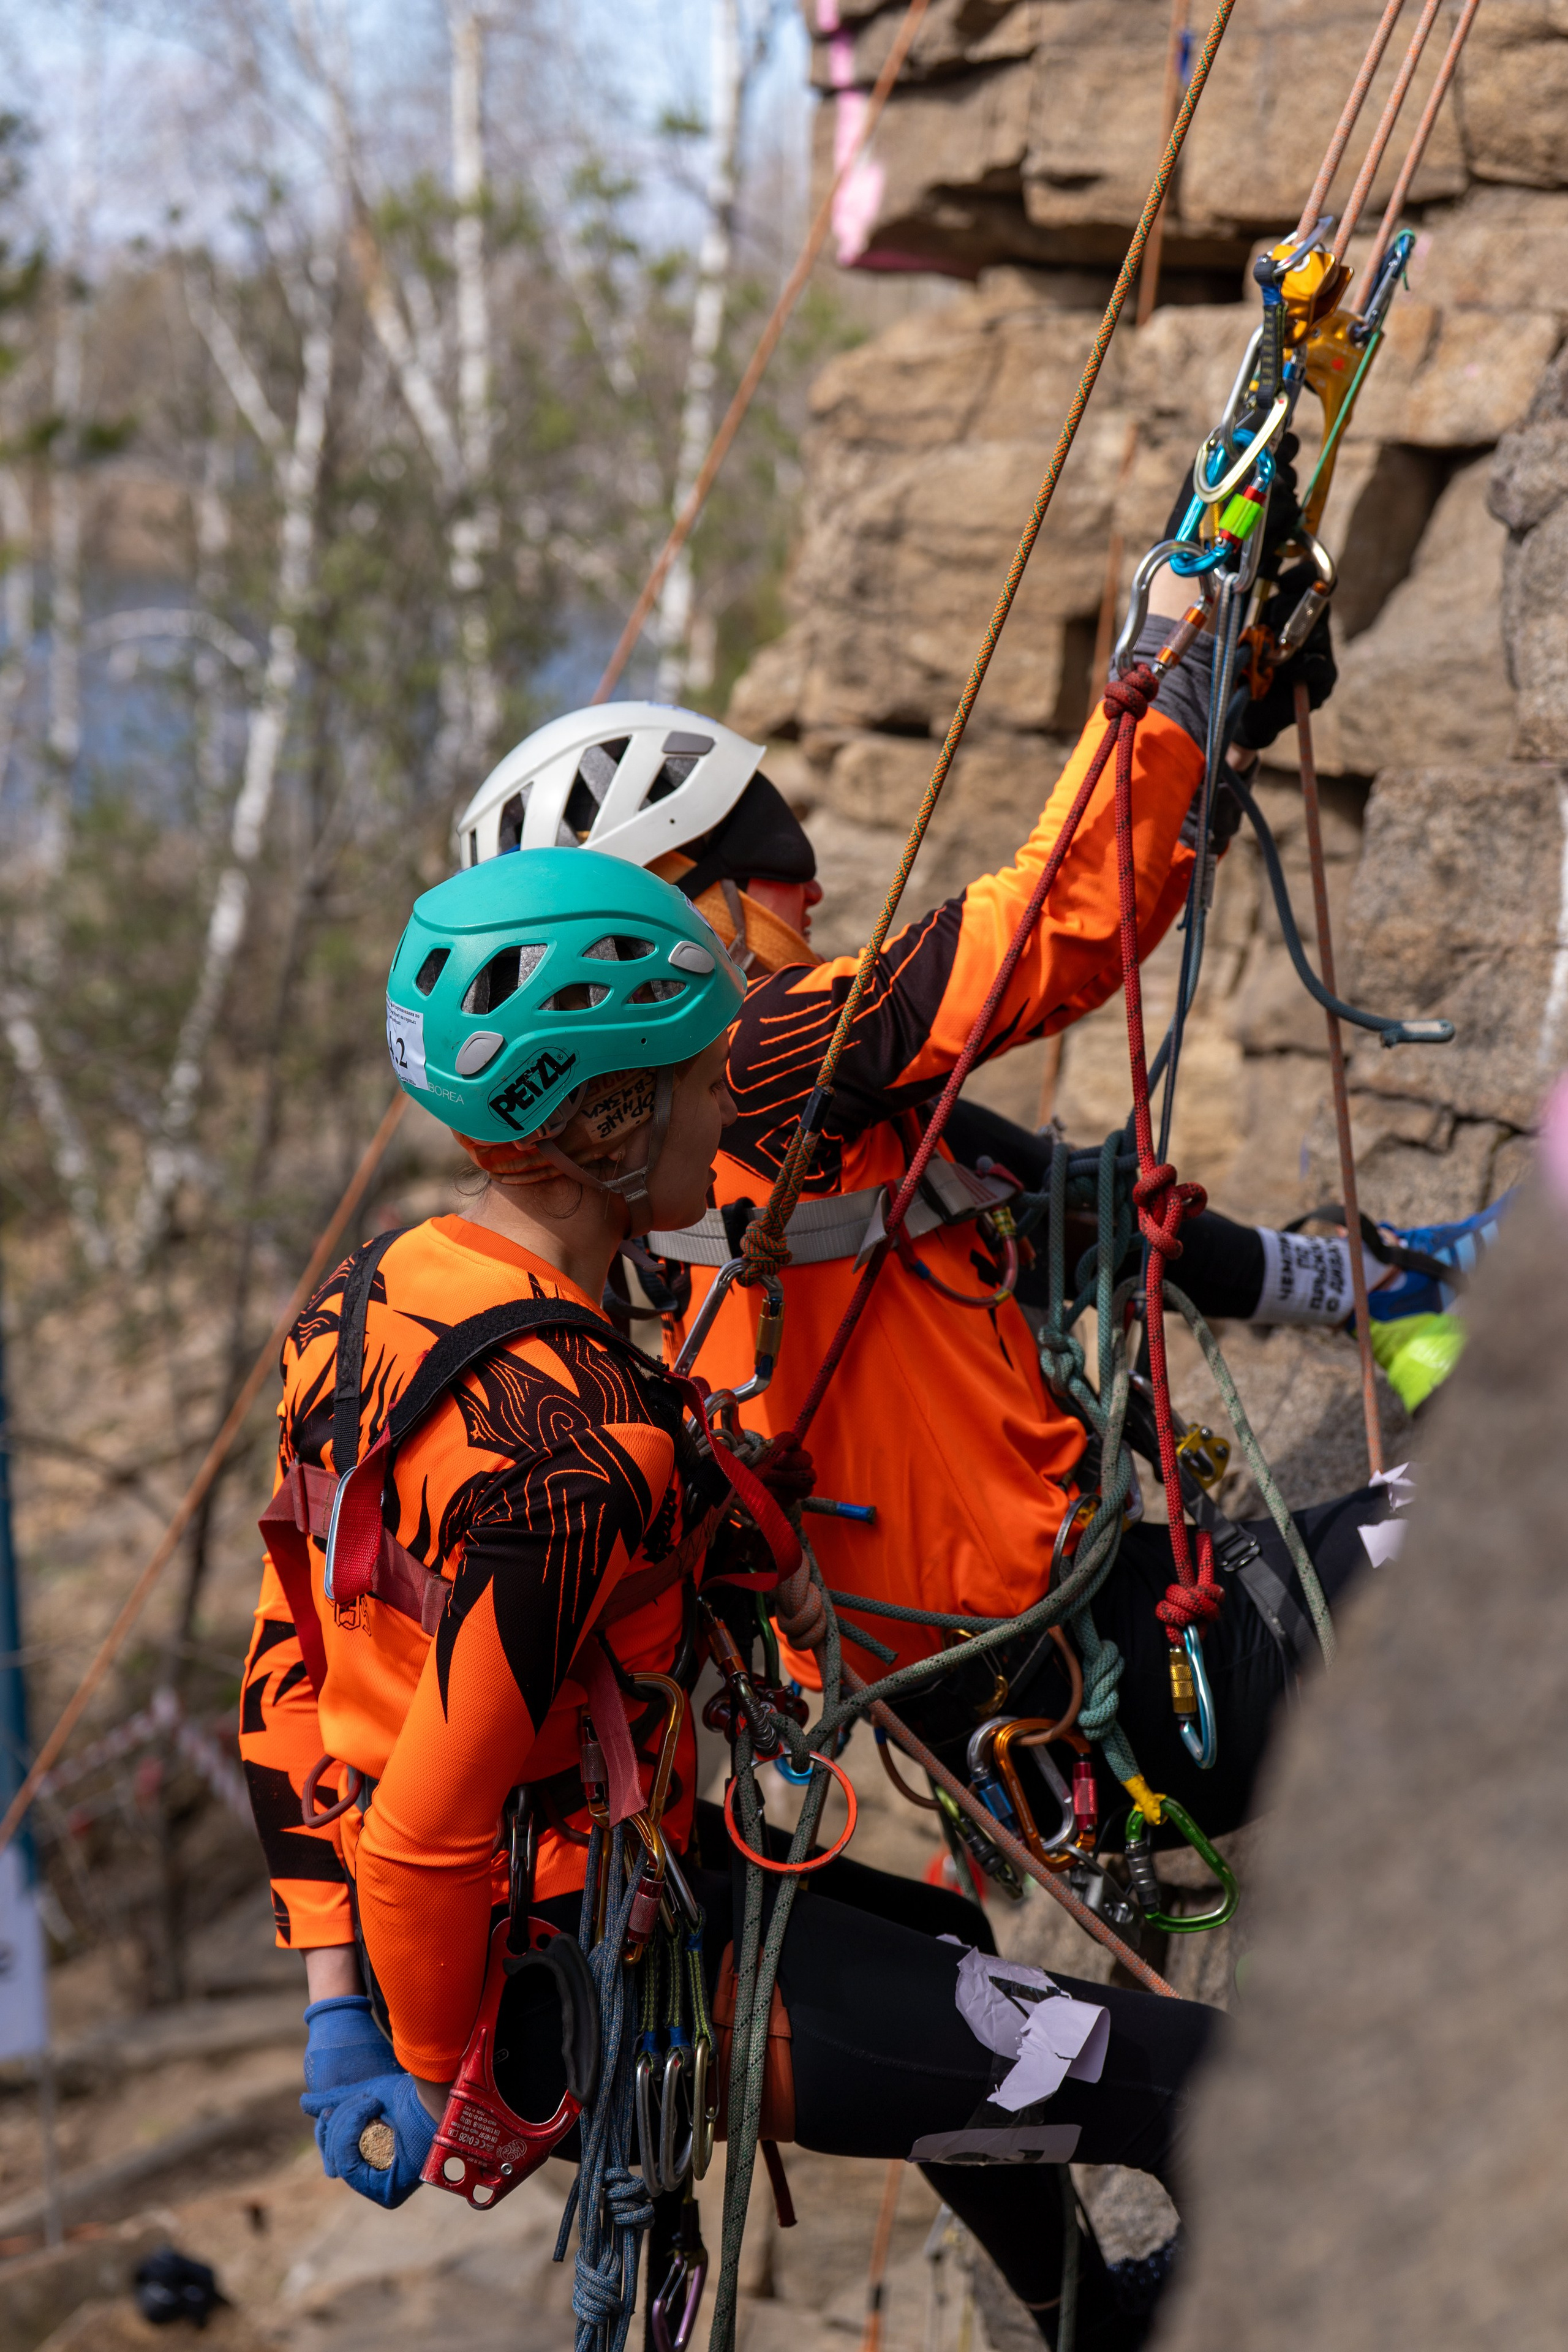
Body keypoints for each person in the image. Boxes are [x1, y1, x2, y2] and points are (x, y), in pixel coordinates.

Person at [239, 846, 1223, 2351]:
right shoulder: (572, 1455)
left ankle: (1084, 2320)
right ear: (611, 1119)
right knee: (1219, 2088)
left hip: (574, 1912)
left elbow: (290, 1668)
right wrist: (457, 2081)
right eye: (699, 1080)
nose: (729, 1108)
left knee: (951, 1953)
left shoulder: (368, 1305)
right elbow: (428, 1821)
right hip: (592, 1979)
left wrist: (333, 2007)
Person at [450, 595, 1502, 1852]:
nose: (817, 889)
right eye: (777, 877)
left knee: (1038, 1186)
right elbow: (1048, 929)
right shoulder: (755, 1057)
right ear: (679, 908)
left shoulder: (673, 1168)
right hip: (1108, 1685)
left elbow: (1074, 1211)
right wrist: (1175, 670)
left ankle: (1379, 1282)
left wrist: (1184, 770)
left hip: (1044, 1702)